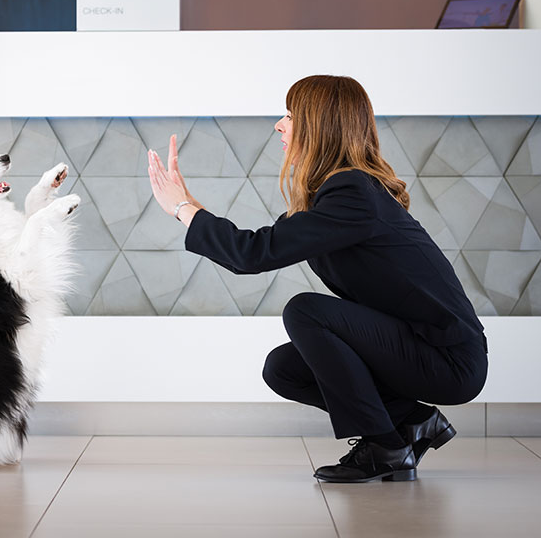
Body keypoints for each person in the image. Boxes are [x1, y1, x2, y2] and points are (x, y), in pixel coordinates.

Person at [147, 75, 488, 483]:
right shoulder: (336, 195)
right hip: (417, 347)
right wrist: (187, 204)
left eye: (290, 115)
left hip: (448, 360)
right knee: (283, 368)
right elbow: (253, 247)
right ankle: (413, 422)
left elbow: (254, 256)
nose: (279, 124)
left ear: (318, 125)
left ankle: (386, 447)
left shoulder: (352, 194)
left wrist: (181, 208)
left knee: (306, 310)